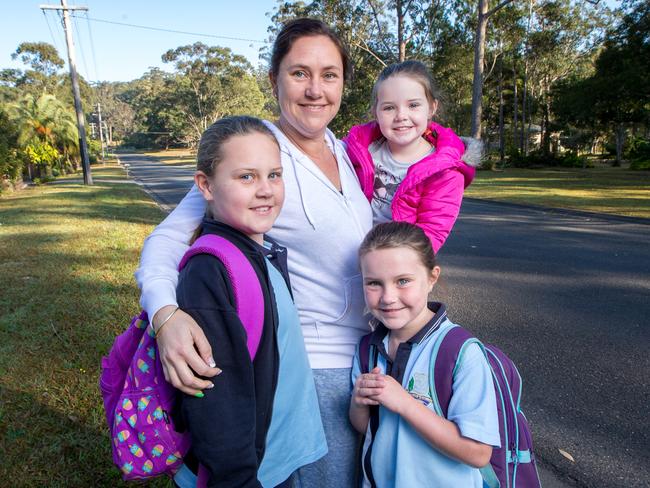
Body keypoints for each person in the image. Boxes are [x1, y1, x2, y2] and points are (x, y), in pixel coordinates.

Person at [136, 19, 372, 486]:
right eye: (299, 73)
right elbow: (164, 240)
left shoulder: (346, 151)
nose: (315, 90)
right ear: (274, 79)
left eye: (330, 75)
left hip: (363, 361)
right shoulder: (254, 154)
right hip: (311, 366)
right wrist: (165, 315)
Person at [170, 116, 326, 488]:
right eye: (246, 177)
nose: (266, 190)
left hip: (273, 461)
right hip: (244, 475)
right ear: (206, 186)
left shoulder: (259, 251)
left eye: (274, 175)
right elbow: (214, 399)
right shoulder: (211, 270)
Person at [350, 222, 500, 487]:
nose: (388, 297)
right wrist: (359, 403)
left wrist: (406, 404)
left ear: (432, 278)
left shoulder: (461, 352)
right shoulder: (367, 348)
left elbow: (478, 453)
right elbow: (369, 429)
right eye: (374, 283)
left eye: (403, 281)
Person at [344, 60, 481, 252]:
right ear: (375, 111)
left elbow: (431, 232)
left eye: (413, 105)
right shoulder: (357, 151)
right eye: (389, 107)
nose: (401, 115)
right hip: (348, 254)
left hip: (397, 265)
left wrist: (397, 268)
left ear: (431, 108)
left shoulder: (446, 171)